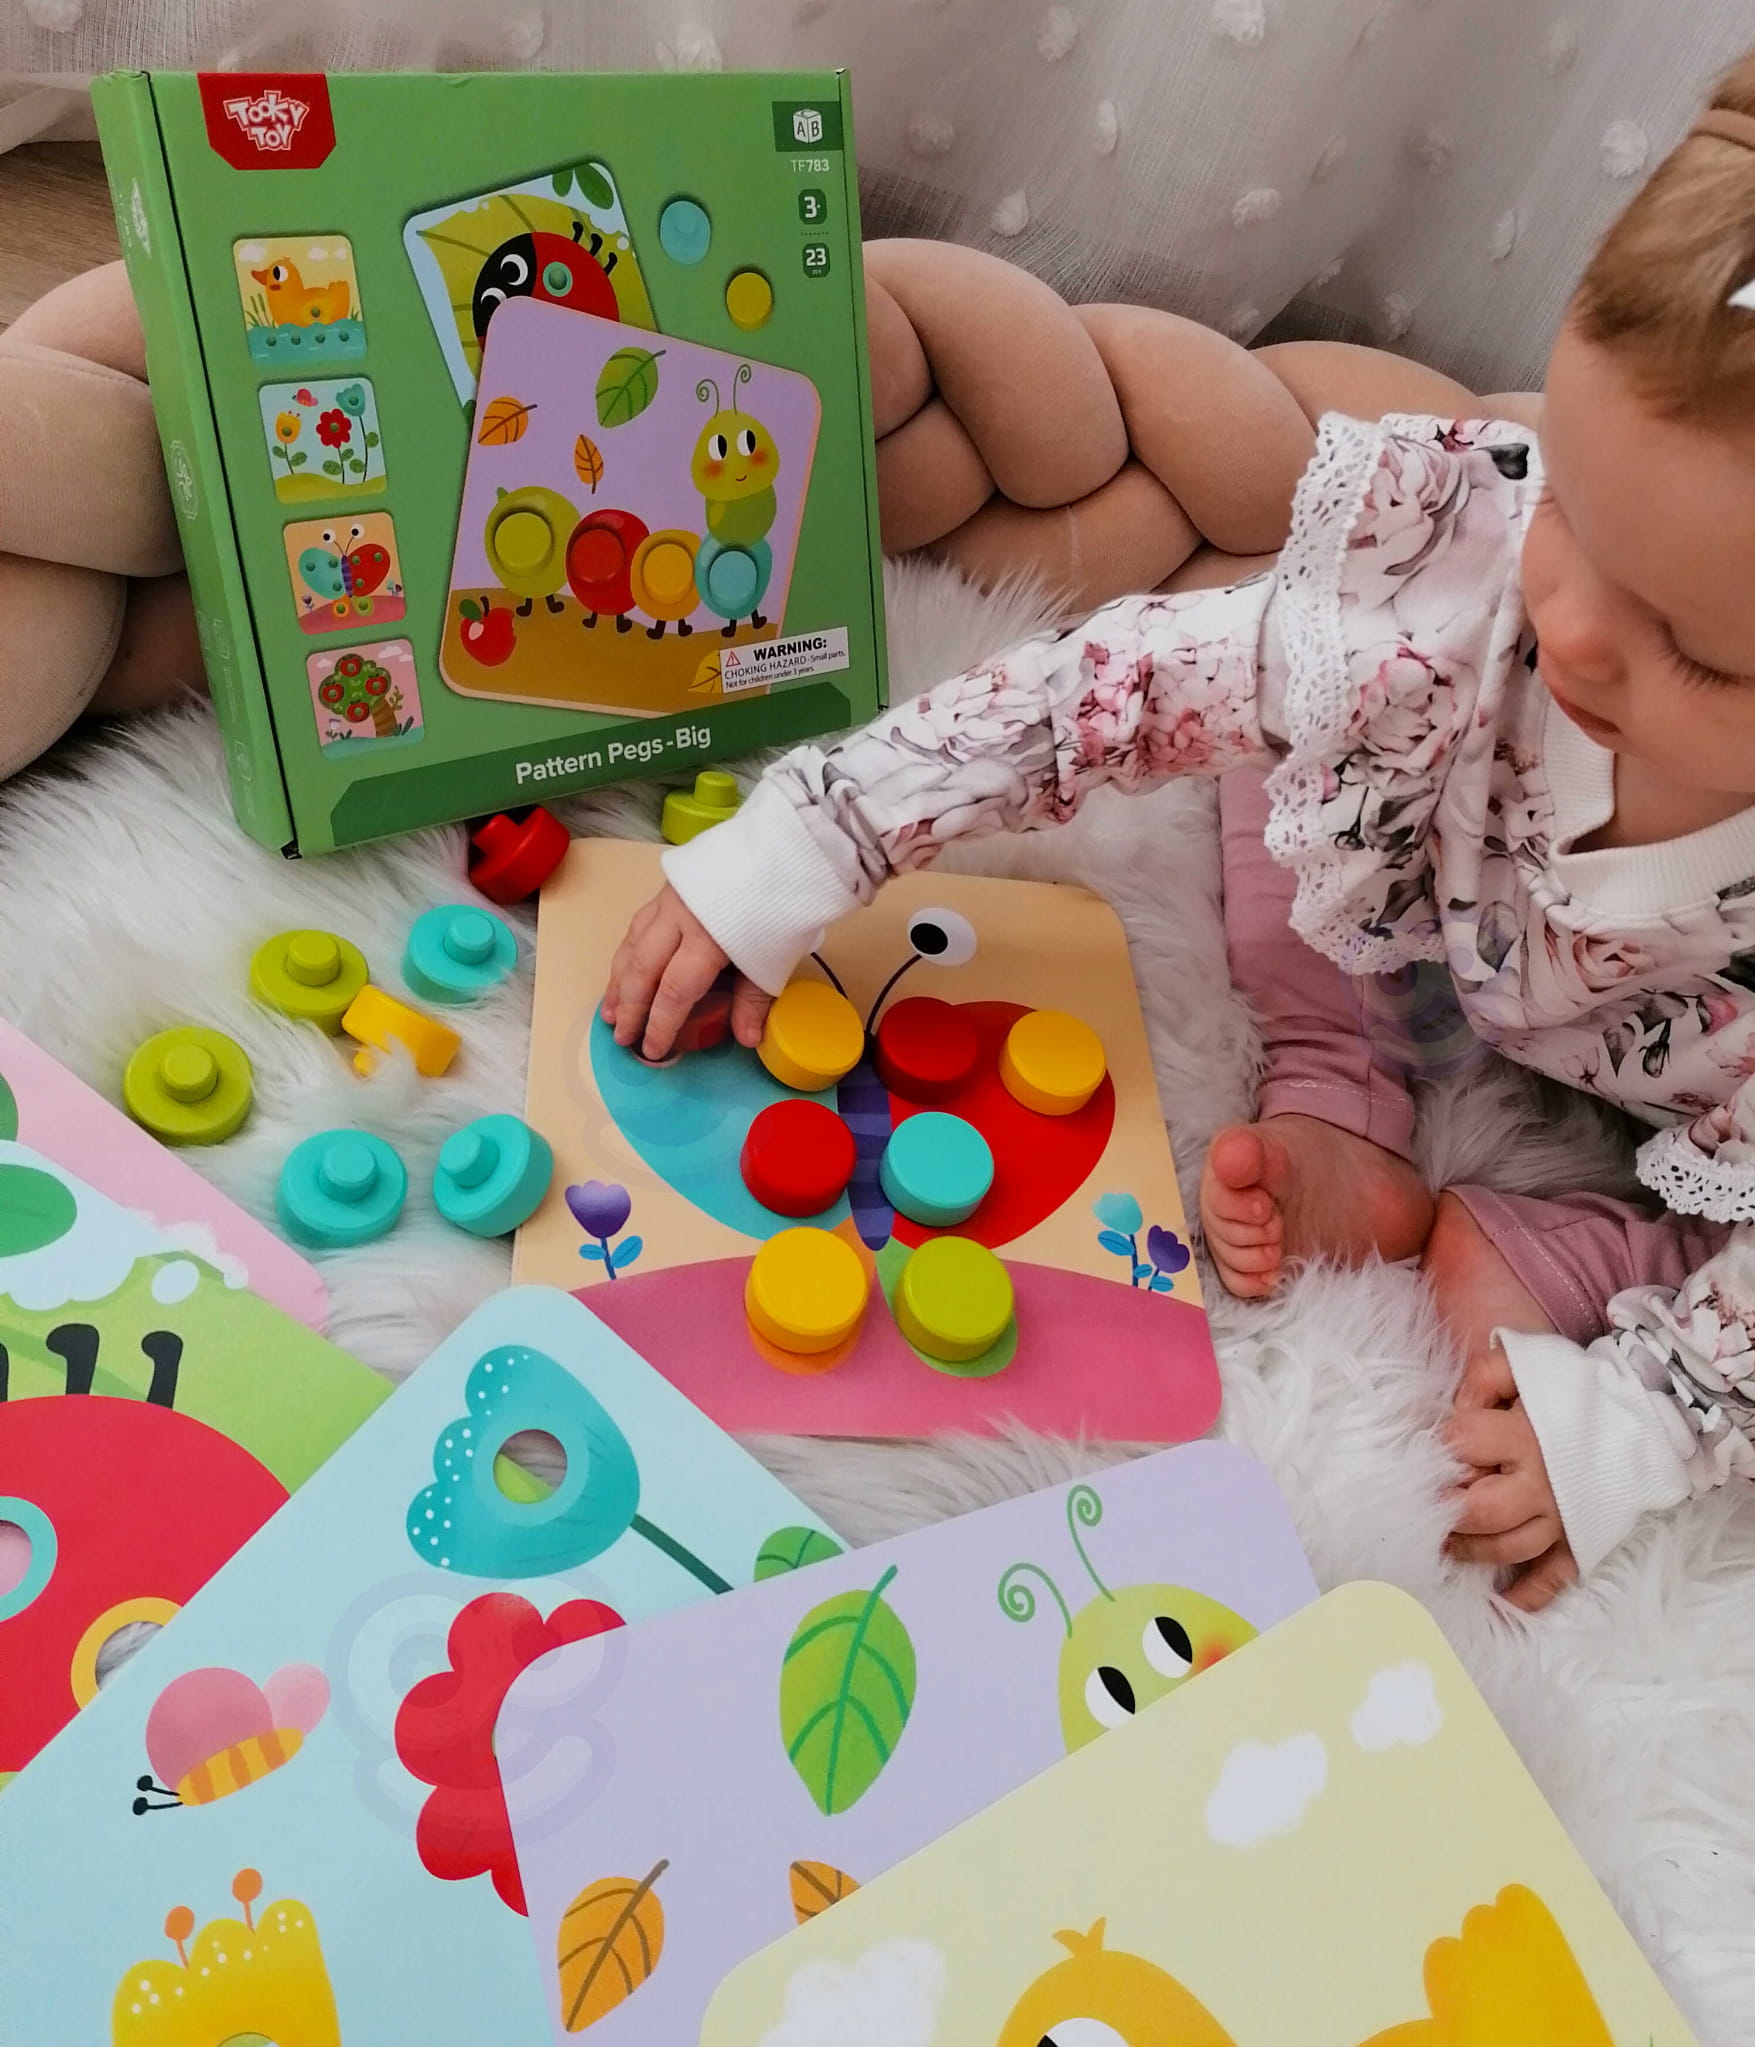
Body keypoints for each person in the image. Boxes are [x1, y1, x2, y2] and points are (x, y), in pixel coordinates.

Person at [603, 65, 1755, 1609]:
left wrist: (1647, 1416)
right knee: (1293, 737)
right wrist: (825, 830)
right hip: (1435, 922)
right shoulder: (1459, 597)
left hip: (1689, 1108)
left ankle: (1586, 1252)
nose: (1574, 632)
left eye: (1695, 650)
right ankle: (1340, 1088)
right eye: (1575, 518)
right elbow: (1115, 686)